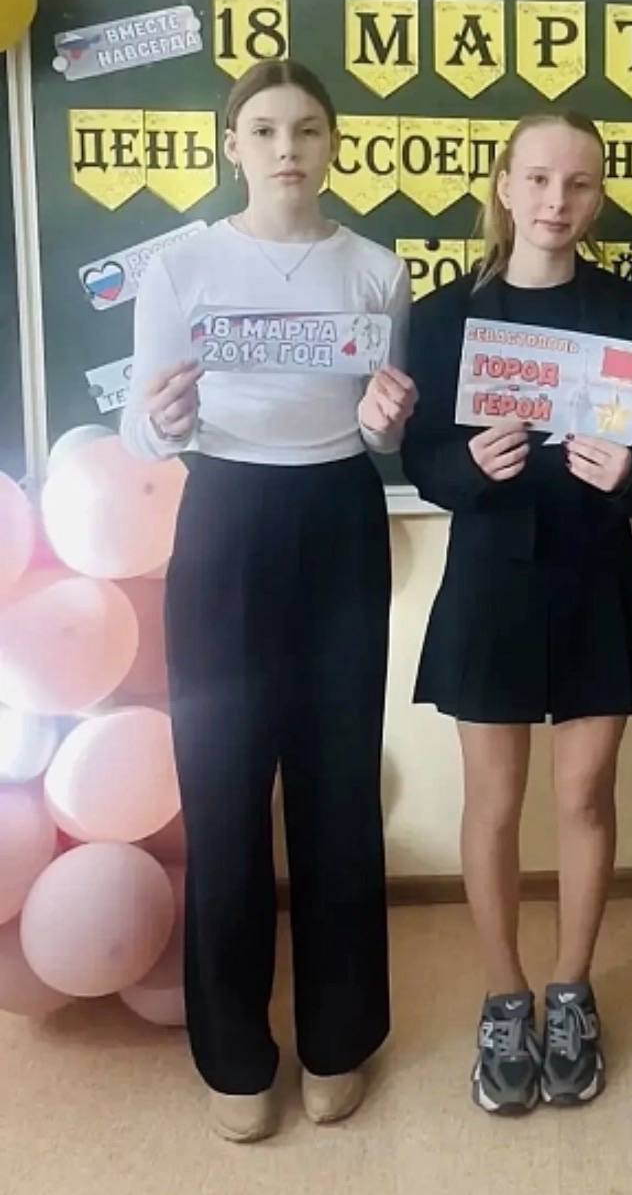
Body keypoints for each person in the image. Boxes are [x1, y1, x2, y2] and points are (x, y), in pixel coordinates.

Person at [121, 59, 416, 1142]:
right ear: (232, 144)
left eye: (307, 128)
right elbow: (144, 431)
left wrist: (384, 421)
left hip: (339, 514)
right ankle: (235, 1052)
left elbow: (381, 427)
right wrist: (161, 418)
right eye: (264, 128)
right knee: (225, 787)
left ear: (333, 142)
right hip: (226, 517)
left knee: (338, 788)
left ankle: (340, 1038)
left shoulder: (376, 270)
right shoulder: (181, 265)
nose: (287, 147)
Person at [402, 112, 632, 1116]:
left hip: (594, 572)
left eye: (580, 183)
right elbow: (420, 458)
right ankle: (503, 993)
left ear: (598, 198)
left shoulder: (628, 307)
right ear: (505, 186)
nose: (558, 200)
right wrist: (467, 464)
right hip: (491, 578)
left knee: (586, 794)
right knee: (494, 801)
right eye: (541, 179)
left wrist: (628, 470)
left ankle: (570, 991)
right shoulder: (445, 314)